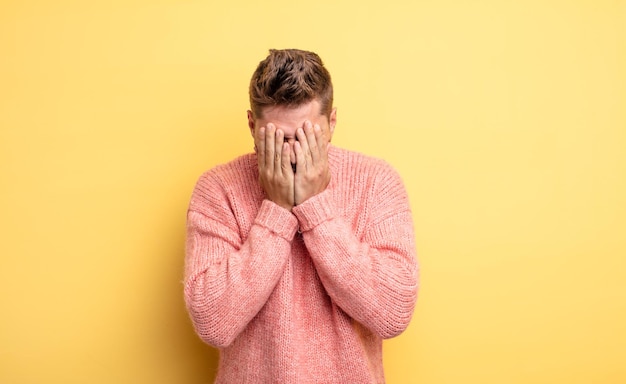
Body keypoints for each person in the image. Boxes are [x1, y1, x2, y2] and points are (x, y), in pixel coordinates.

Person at [184, 49, 419, 384]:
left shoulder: (376, 181)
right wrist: (277, 211)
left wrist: (316, 206)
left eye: (305, 138)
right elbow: (214, 322)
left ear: (332, 123)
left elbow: (392, 313)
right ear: (252, 125)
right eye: (276, 138)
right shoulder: (218, 188)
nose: (292, 153)